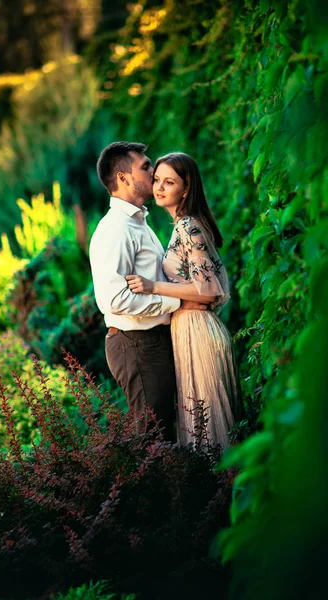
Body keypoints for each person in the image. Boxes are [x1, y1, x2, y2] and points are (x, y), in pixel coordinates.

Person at [89, 142, 215, 441]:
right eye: (145, 167)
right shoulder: (116, 229)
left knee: (165, 435)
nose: (153, 171)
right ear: (123, 178)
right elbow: (114, 299)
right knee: (153, 440)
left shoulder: (139, 223)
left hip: (153, 342)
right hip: (137, 344)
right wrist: (178, 301)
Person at [126, 152, 242, 450]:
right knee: (200, 428)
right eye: (156, 180)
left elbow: (209, 290)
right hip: (188, 329)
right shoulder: (182, 226)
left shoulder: (188, 226)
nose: (159, 187)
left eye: (169, 182)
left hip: (199, 332)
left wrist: (153, 287)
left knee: (210, 433)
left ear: (186, 188)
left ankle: (227, 492)